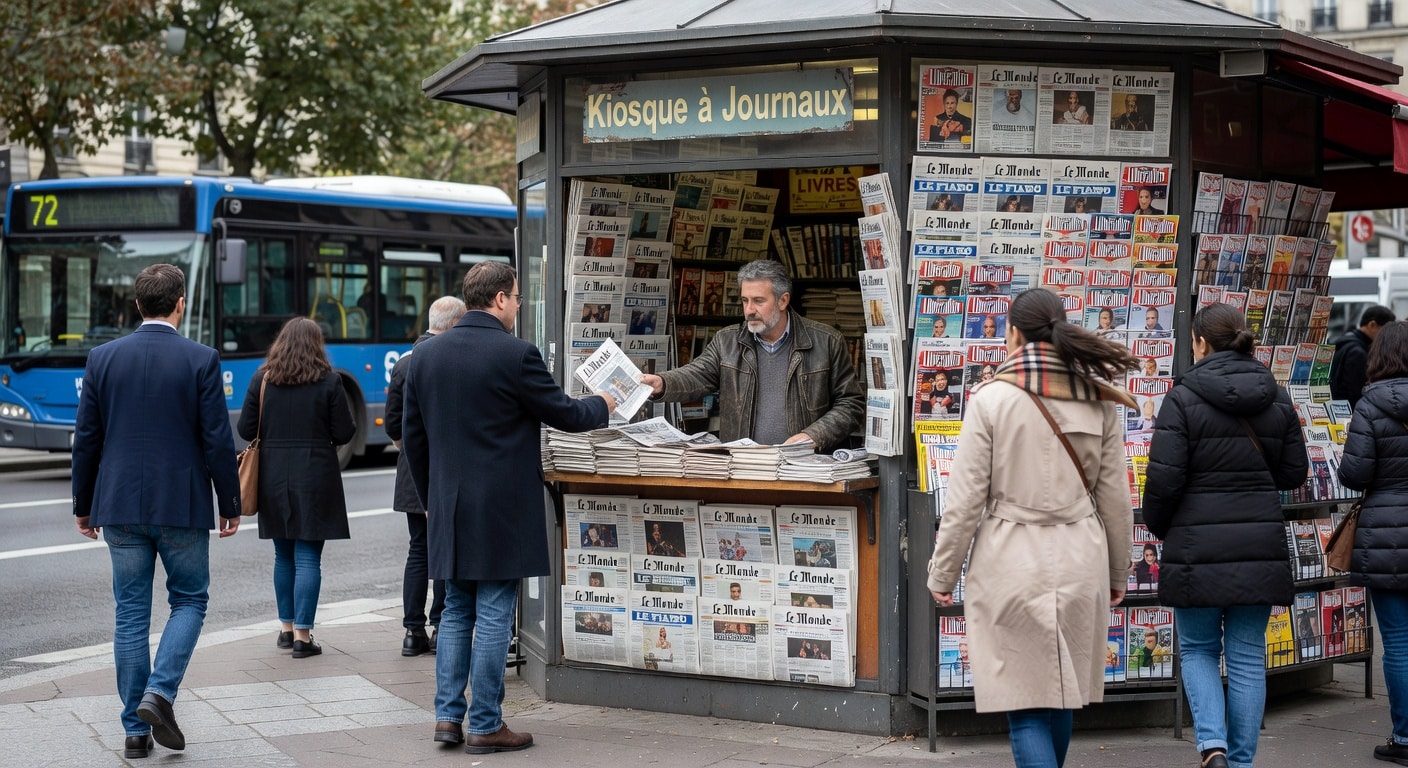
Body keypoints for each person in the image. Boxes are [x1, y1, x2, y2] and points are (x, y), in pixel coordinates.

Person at [402, 261, 615, 754]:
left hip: (448, 502)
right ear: (499, 299)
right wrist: (605, 400)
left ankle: (447, 719)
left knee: (456, 608)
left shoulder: (425, 356)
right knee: (497, 609)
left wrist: (431, 494)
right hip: (501, 505)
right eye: (517, 298)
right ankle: (485, 722)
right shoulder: (516, 354)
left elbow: (412, 437)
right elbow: (564, 414)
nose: (519, 306)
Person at [928, 288, 1136, 768]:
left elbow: (964, 502)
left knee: (1023, 704)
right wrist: (1117, 572)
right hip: (1081, 556)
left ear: (1015, 334)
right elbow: (1115, 500)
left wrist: (943, 573)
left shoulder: (991, 399)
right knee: (1061, 692)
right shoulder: (1098, 398)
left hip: (1009, 561)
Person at [71, 264, 242, 760]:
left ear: (138, 304)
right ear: (180, 303)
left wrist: (83, 505)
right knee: (189, 601)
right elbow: (216, 439)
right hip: (181, 504)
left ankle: (134, 730)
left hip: (119, 502)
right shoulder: (201, 359)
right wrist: (229, 503)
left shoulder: (102, 358)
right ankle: (159, 693)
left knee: (129, 614)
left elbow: (87, 440)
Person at [1141, 303, 1307, 768]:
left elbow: (1163, 482)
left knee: (1196, 648)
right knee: (1249, 657)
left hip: (1195, 545)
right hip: (1257, 545)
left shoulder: (1182, 397)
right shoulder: (1277, 396)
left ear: (1200, 342)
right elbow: (1294, 472)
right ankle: (1241, 761)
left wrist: (1163, 529)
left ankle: (1211, 748)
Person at [640, 260, 863, 452]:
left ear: (783, 301)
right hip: (745, 466)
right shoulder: (727, 341)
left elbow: (851, 404)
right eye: (745, 300)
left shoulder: (826, 341)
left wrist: (814, 436)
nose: (749, 310)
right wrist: (662, 382)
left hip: (805, 467)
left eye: (758, 301)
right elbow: (697, 374)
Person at [238, 317, 356, 660]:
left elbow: (247, 428)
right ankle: (304, 636)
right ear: (316, 344)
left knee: (282, 555)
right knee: (308, 558)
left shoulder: (263, 379)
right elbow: (346, 432)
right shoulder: (329, 381)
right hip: (315, 474)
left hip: (273, 476)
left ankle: (287, 630)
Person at [1336, 320, 1408, 766]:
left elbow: (1354, 474)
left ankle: (1404, 738)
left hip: (1386, 532)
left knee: (1398, 642)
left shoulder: (1369, 405)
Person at [385, 295, 466, 657]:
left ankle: (411, 631)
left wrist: (410, 450)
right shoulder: (450, 358)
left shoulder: (404, 362)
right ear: (453, 325)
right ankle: (439, 627)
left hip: (411, 473)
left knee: (418, 550)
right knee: (445, 551)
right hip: (446, 469)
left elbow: (393, 426)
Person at [1330, 305, 1395, 407]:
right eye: (1384, 331)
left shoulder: (1346, 341)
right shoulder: (1358, 352)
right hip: (1349, 411)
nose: (1387, 336)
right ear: (1372, 325)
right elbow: (1354, 391)